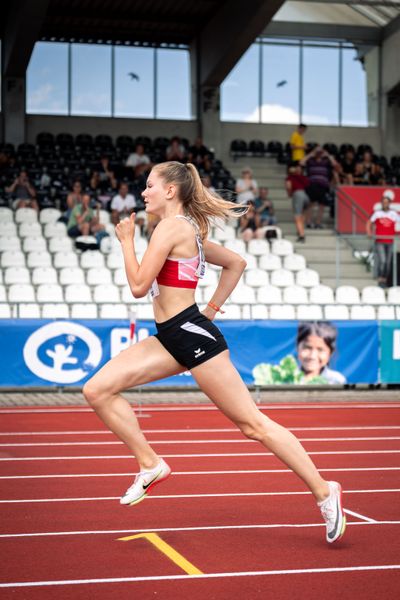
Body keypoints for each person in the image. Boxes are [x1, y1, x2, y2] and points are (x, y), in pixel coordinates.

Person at [83, 160, 346, 545]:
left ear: (170, 190)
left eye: (150, 185)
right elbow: (236, 263)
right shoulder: (181, 229)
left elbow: (139, 285)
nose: (144, 192)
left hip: (192, 336)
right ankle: (150, 463)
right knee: (98, 390)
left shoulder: (172, 227)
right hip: (173, 334)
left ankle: (325, 492)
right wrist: (210, 310)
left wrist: (126, 242)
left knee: (252, 425)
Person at [366, 189, 400, 288]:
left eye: (387, 202)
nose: (385, 204)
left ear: (389, 203)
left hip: (390, 241)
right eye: (383, 202)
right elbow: (369, 222)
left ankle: (384, 279)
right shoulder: (377, 213)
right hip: (380, 241)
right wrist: (369, 232)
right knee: (383, 261)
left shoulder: (393, 214)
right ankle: (380, 279)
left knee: (388, 262)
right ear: (382, 203)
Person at [300, 146, 337, 229]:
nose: (319, 153)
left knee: (322, 205)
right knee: (310, 204)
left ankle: (318, 223)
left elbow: (335, 164)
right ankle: (308, 222)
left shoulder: (326, 161)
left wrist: (328, 155)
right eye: (317, 151)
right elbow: (301, 162)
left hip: (323, 186)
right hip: (312, 185)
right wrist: (311, 154)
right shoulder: (310, 161)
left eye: (320, 151)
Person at [285, 162, 310, 243]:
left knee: (297, 216)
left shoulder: (290, 177)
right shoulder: (303, 177)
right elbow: (308, 185)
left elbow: (288, 186)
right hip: (306, 195)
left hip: (298, 194)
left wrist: (289, 194)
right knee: (302, 215)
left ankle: (301, 235)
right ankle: (301, 229)